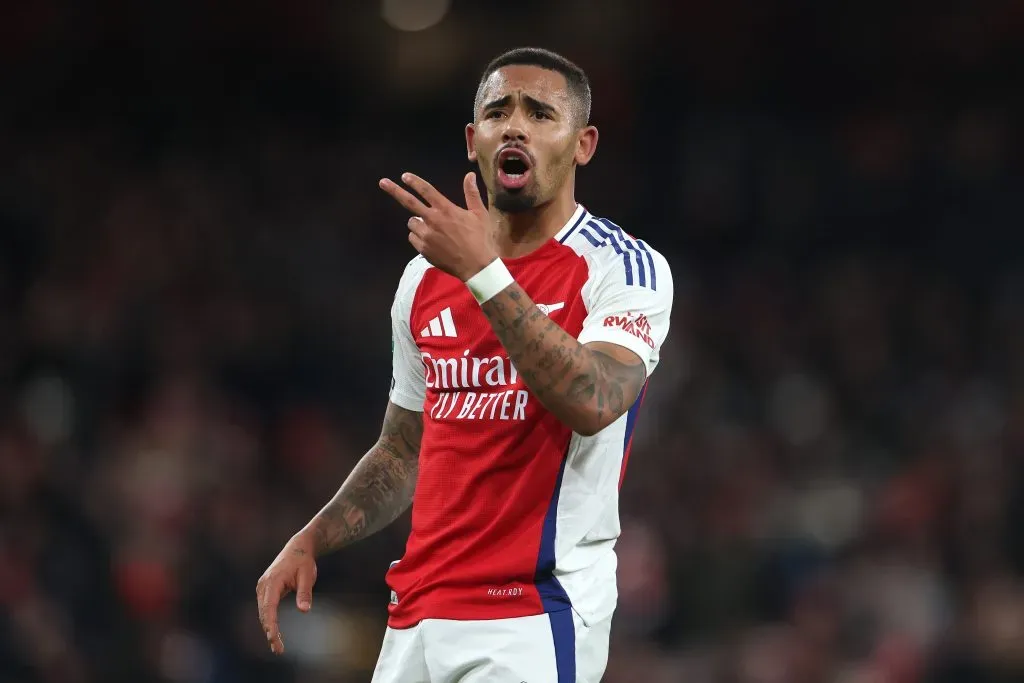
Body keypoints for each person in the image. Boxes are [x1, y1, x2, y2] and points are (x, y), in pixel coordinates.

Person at [256, 46, 674, 682]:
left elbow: (594, 399)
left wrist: (484, 273)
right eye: (498, 111)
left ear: (582, 144)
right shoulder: (423, 278)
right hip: (418, 612)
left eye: (540, 113)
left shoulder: (621, 268)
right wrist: (313, 536)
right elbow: (404, 449)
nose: (515, 125)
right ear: (472, 139)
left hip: (532, 615)